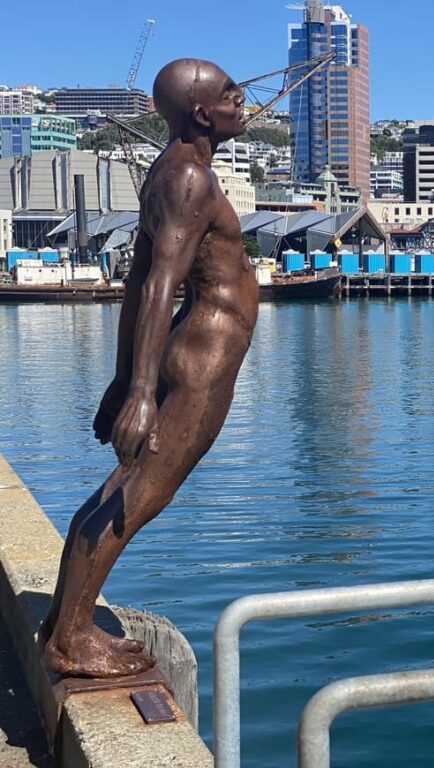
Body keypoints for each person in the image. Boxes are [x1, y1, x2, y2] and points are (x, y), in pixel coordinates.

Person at [39, 59, 259, 678]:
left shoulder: (167, 174)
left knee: (124, 489)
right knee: (141, 493)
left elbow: (138, 278)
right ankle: (71, 638)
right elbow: (161, 281)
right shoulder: (190, 180)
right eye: (228, 94)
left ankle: (64, 620)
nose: (241, 101)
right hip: (206, 351)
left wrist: (121, 375)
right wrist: (137, 391)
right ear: (199, 113)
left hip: (194, 345)